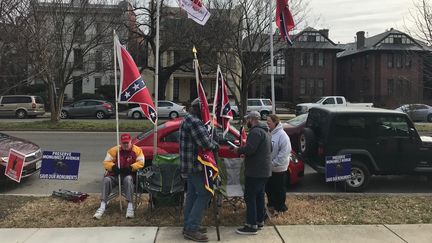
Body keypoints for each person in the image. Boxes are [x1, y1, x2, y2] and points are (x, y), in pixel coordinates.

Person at [180, 98, 219, 242]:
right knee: (205, 194)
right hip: (195, 165)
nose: (207, 113)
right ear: (199, 109)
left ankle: (188, 225)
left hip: (189, 165)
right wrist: (216, 144)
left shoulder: (188, 119)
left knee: (192, 195)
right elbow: (205, 143)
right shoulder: (195, 122)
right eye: (205, 110)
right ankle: (191, 228)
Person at [231, 111, 272, 235]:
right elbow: (270, 149)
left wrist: (238, 150)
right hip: (264, 171)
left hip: (255, 171)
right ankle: (259, 221)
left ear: (252, 119)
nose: (246, 122)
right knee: (259, 197)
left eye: (247, 119)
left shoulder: (255, 132)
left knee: (250, 197)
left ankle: (251, 225)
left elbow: (250, 149)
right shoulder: (265, 131)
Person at [93, 133, 144, 219]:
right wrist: (112, 167)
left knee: (128, 179)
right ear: (120, 143)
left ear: (130, 141)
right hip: (115, 176)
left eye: (127, 143)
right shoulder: (113, 150)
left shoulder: (137, 150)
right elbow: (106, 162)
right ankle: (102, 205)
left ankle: (130, 206)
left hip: (128, 175)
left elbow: (141, 162)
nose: (126, 145)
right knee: (106, 180)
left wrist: (131, 168)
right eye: (124, 143)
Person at [265, 114, 291, 215]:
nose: (267, 124)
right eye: (266, 122)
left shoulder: (283, 136)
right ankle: (271, 204)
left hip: (279, 168)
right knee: (269, 187)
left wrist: (273, 163)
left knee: (279, 189)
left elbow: (284, 153)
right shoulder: (269, 133)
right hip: (269, 168)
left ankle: (281, 207)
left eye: (269, 122)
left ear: (275, 122)